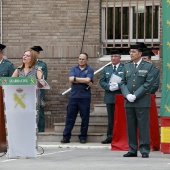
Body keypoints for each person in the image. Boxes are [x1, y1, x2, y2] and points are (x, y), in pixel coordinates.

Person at [120, 43, 154, 158]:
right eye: (130, 52)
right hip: (129, 101)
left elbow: (148, 84)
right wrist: (127, 94)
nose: (131, 54)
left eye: (133, 52)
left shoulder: (148, 66)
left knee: (143, 126)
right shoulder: (126, 66)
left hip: (142, 101)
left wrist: (136, 95)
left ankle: (144, 149)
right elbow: (122, 82)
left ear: (140, 54)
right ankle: (132, 149)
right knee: (131, 126)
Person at [61, 53, 94, 144]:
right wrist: (83, 80)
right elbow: (71, 79)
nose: (81, 60)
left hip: (84, 97)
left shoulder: (90, 69)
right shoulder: (73, 68)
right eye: (79, 59)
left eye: (83, 59)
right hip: (73, 97)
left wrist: (76, 79)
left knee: (85, 118)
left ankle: (83, 137)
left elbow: (88, 80)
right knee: (70, 117)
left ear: (87, 60)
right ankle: (66, 136)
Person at [99, 49, 124, 144]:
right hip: (110, 96)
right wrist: (108, 87)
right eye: (112, 56)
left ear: (120, 57)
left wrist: (119, 86)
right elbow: (102, 81)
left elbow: (126, 80)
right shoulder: (107, 68)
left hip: (120, 96)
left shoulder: (124, 68)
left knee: (120, 118)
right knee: (111, 118)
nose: (113, 58)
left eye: (116, 56)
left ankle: (121, 136)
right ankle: (110, 136)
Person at [30, 46, 48, 132]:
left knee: (39, 111)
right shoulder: (26, 64)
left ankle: (40, 131)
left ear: (38, 54)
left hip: (38, 91)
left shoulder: (42, 65)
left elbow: (43, 79)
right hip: (28, 92)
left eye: (33, 53)